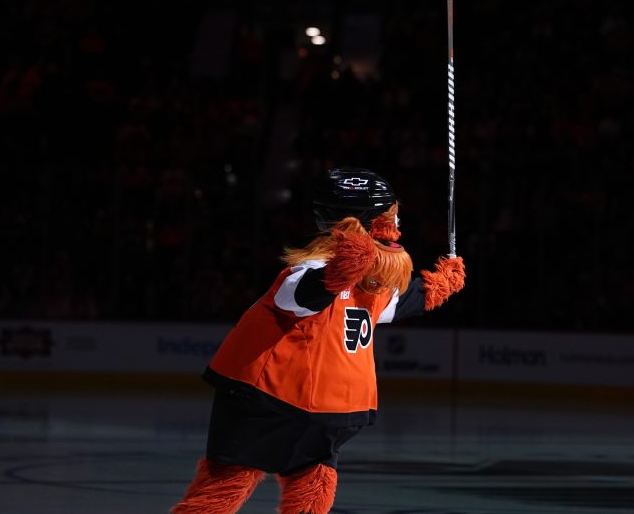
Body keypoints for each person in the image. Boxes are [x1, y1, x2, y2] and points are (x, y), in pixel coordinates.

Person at [172, 167, 466, 514]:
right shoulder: (318, 270)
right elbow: (299, 297)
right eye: (388, 220)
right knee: (274, 481)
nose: (396, 230)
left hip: (299, 403)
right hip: (302, 403)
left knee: (272, 480)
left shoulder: (370, 286)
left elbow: (401, 302)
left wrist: (439, 285)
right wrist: (339, 273)